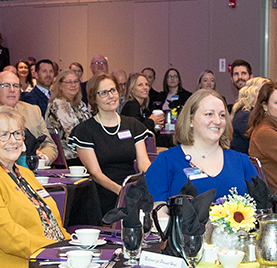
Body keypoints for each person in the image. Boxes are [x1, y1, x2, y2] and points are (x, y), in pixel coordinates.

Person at [0, 106, 67, 268]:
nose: (13, 141)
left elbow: (52, 223)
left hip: (52, 264)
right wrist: (60, 249)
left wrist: (74, 244)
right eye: (3, 135)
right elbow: (10, 238)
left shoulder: (25, 173)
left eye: (17, 133)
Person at [145, 90, 259, 199]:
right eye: (209, 114)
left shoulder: (241, 162)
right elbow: (156, 212)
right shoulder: (166, 161)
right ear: (190, 120)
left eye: (222, 115)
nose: (217, 121)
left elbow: (262, 208)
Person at [71, 75, 153, 208]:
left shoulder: (132, 125)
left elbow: (143, 163)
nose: (111, 96)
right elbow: (96, 174)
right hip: (101, 194)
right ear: (93, 98)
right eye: (103, 93)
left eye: (113, 90)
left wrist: (152, 181)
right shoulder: (84, 131)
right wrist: (122, 192)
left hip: (131, 188)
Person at [0, 70, 58, 167]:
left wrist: (42, 158)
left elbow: (50, 145)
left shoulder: (33, 111)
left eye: (16, 86)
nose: (12, 90)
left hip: (34, 172)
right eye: (5, 85)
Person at [45, 68, 90, 162]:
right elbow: (71, 134)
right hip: (69, 158)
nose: (73, 85)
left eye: (76, 81)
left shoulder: (80, 104)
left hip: (83, 153)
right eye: (69, 82)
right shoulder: (58, 104)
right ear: (60, 86)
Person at [228, 77, 268, 155]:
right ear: (253, 93)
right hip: (245, 163)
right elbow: (262, 144)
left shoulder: (250, 113)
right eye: (265, 92)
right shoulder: (245, 116)